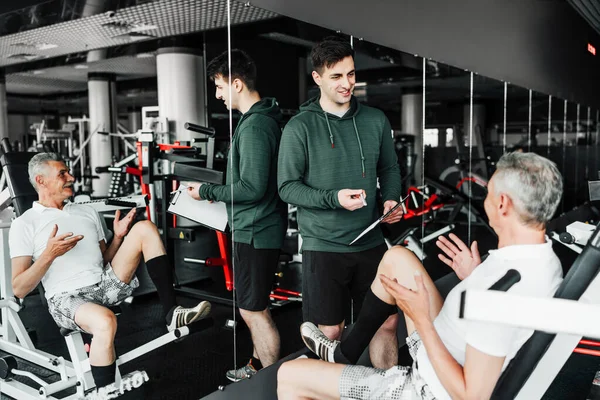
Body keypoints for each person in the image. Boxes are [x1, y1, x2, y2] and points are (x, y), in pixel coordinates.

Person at [277, 151, 564, 400]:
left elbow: (471, 396)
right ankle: (344, 354)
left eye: (488, 192)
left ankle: (359, 368)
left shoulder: (498, 295)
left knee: (290, 375)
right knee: (398, 258)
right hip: (450, 345)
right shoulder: (544, 259)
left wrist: (422, 320)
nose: (484, 198)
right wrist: (474, 277)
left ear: (502, 203)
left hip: (429, 386)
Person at [9, 153, 211, 390]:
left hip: (104, 285)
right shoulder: (25, 223)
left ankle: (171, 314)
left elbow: (104, 260)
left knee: (144, 228)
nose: (71, 178)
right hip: (66, 299)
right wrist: (49, 255)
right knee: (105, 322)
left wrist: (118, 238)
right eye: (62, 173)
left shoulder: (86, 212)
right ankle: (104, 392)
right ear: (41, 180)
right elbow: (19, 287)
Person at [277, 36, 403, 368]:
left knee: (386, 322)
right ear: (317, 78)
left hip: (371, 240)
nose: (347, 83)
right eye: (336, 76)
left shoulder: (375, 120)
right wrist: (333, 199)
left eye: (350, 74)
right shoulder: (299, 128)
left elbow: (389, 168)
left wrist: (390, 199)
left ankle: (385, 390)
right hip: (324, 245)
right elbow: (287, 188)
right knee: (330, 332)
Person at [186, 49, 287, 381]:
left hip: (256, 230)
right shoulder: (257, 120)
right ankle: (258, 367)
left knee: (252, 309)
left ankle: (272, 382)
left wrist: (207, 192)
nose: (217, 95)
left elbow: (253, 188)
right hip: (254, 227)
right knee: (255, 306)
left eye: (219, 86)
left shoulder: (256, 126)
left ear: (238, 84)